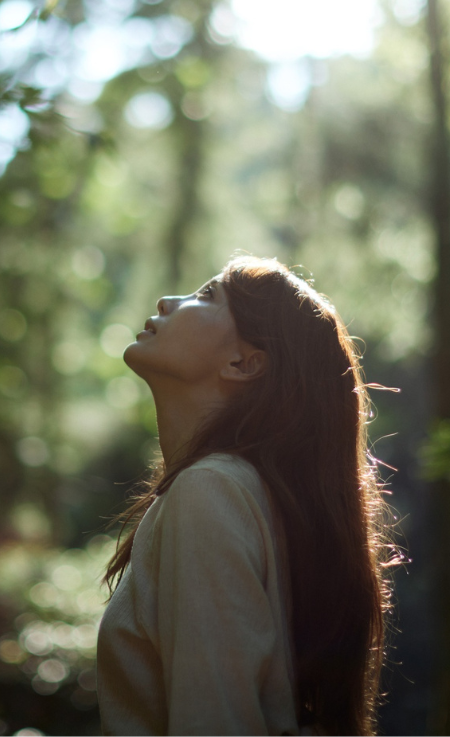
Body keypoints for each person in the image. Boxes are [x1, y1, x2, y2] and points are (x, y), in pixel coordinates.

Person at [96, 256, 398, 736]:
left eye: (207, 295)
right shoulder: (240, 492)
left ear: (243, 362)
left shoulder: (209, 491)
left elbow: (215, 721)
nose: (167, 302)